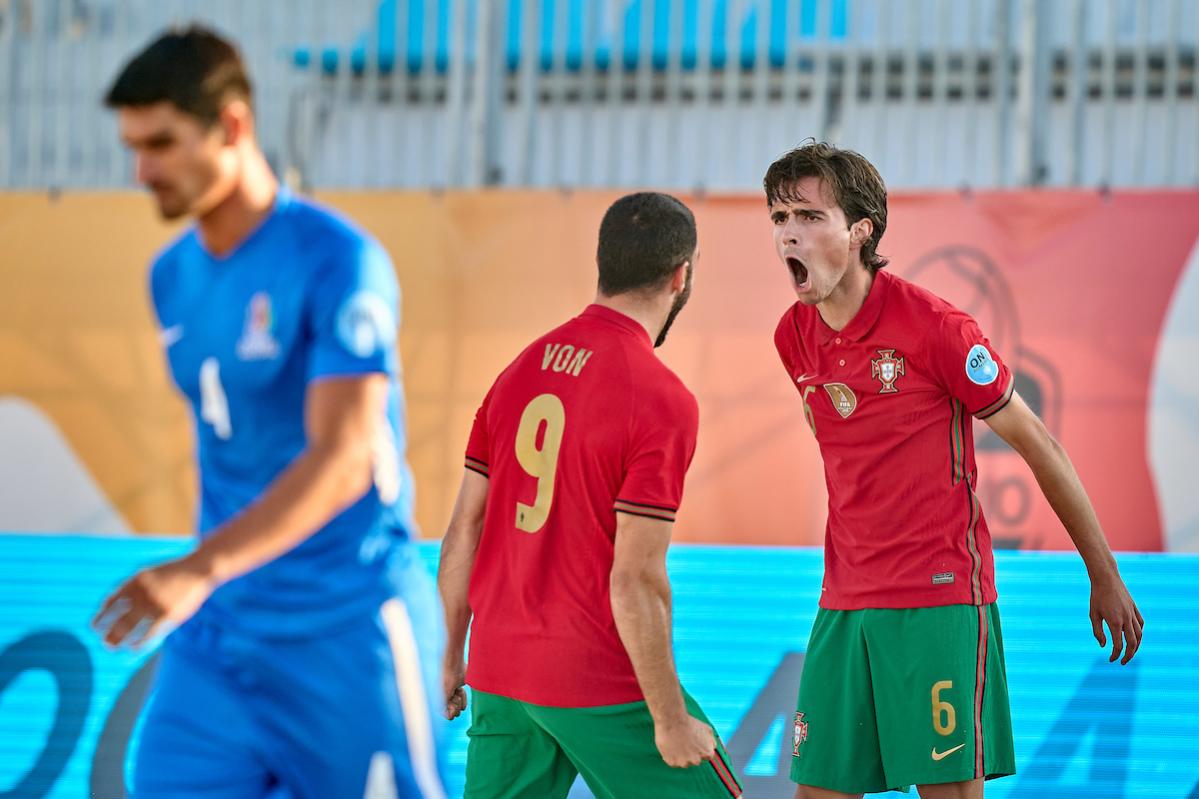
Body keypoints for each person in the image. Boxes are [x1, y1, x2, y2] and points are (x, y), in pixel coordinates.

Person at [90, 26, 448, 798]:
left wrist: (198, 567)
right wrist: (210, 579)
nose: (142, 171)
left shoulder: (339, 260)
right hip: (220, 641)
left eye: (161, 143)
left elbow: (344, 459)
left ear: (233, 125)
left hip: (345, 629)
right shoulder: (170, 277)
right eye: (133, 147)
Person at [764, 141, 1143, 799]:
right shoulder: (791, 336)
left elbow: (1040, 445)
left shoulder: (937, 328)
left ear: (860, 231)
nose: (788, 233)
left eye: (809, 216)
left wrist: (1103, 573)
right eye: (779, 218)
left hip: (937, 598)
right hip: (844, 601)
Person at [437, 192, 743, 799]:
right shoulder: (660, 398)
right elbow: (637, 580)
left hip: (500, 671)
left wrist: (449, 656)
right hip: (595, 676)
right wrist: (668, 720)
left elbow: (464, 530)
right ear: (680, 276)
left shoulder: (517, 373)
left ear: (603, 263)